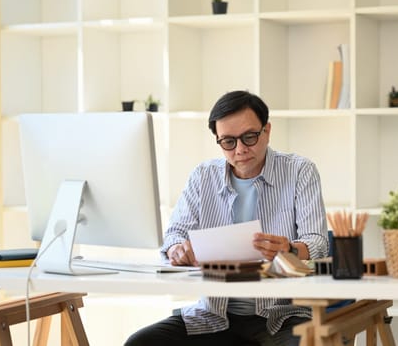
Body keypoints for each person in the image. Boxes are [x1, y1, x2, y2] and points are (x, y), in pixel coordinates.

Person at [125, 90, 329, 346]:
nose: (240, 149)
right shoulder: (202, 176)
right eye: (228, 142)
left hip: (281, 316)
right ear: (218, 140)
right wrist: (178, 249)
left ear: (267, 130)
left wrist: (289, 248)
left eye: (249, 137)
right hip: (213, 315)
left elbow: (319, 244)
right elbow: (173, 236)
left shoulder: (300, 171)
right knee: (141, 343)